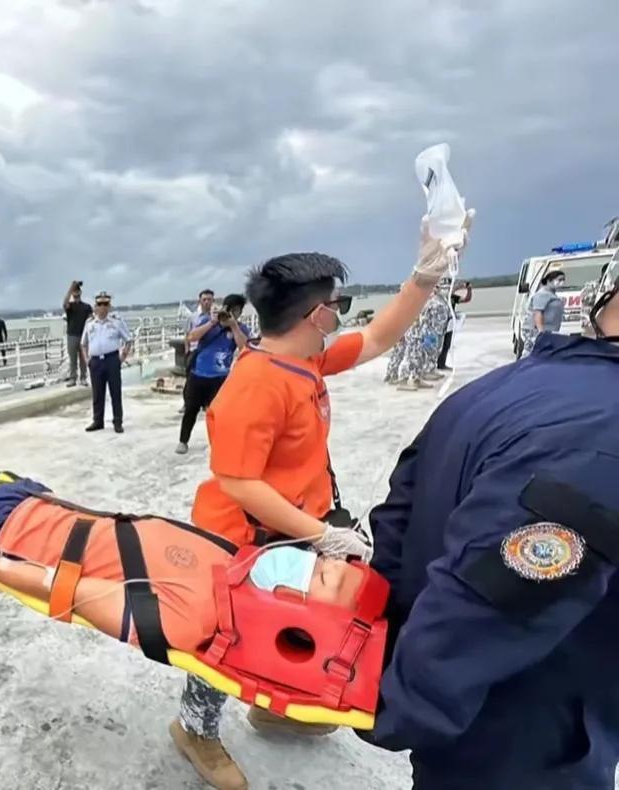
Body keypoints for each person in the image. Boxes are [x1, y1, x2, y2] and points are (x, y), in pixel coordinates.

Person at [170, 213, 473, 790]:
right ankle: (195, 729)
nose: (342, 312)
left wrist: (425, 274)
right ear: (316, 314)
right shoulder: (255, 383)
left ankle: (271, 704)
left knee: (291, 617)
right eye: (337, 303)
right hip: (240, 536)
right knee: (220, 639)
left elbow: (381, 336)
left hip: (293, 527)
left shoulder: (303, 359)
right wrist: (319, 533)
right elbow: (238, 482)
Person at [361, 257, 619, 789]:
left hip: (469, 716)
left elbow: (397, 516)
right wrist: (400, 704)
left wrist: (383, 645)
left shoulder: (496, 387)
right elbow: (496, 590)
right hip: (531, 738)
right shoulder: (604, 435)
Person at [0, 458, 367, 654]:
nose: (331, 562)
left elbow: (63, 592)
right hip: (42, 501)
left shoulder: (192, 618)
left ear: (296, 608)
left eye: (326, 575)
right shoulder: (239, 565)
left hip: (6, 530)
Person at [176, 294, 248, 454]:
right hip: (198, 375)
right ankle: (183, 441)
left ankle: (218, 444)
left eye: (238, 311)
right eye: (231, 310)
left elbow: (245, 348)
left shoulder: (240, 328)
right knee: (191, 410)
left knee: (219, 413)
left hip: (220, 378)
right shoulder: (210, 323)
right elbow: (192, 337)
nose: (234, 314)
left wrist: (234, 326)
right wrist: (212, 322)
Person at [81, 290, 132, 433]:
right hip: (96, 361)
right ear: (95, 306)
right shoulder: (90, 323)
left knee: (115, 392)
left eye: (105, 304)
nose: (102, 307)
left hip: (111, 360)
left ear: (109, 306)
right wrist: (87, 360)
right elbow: (83, 343)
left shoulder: (116, 322)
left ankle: (117, 422)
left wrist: (122, 358)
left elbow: (128, 340)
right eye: (99, 304)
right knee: (97, 393)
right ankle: (98, 421)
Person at [518, 268, 567, 358]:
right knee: (530, 354)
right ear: (549, 280)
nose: (562, 282)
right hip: (536, 331)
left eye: (563, 280)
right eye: (559, 280)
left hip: (549, 331)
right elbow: (538, 313)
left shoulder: (552, 294)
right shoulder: (542, 294)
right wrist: (541, 331)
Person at [435, 279, 471, 370]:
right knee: (436, 345)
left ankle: (441, 364)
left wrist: (469, 290)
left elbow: (466, 299)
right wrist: (457, 287)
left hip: (449, 324)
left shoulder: (453, 297)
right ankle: (433, 365)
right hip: (437, 324)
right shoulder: (439, 297)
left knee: (446, 344)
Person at [62, 280, 91, 387]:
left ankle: (83, 378)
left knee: (83, 359)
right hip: (71, 335)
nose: (76, 293)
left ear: (80, 293)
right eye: (74, 292)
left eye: (77, 291)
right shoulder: (70, 306)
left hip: (83, 335)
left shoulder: (87, 307)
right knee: (72, 359)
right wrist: (71, 287)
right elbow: (64, 303)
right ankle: (73, 378)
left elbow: (91, 320)